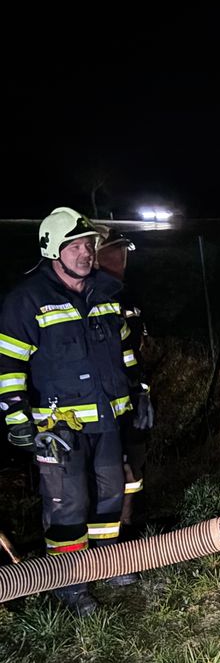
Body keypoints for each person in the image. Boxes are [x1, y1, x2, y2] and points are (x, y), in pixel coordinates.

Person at [0, 207, 153, 615]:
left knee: (109, 496)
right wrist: (16, 419)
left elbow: (125, 352)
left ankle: (108, 562)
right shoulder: (27, 301)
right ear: (55, 250)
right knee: (67, 504)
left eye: (89, 246)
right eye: (77, 247)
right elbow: (9, 365)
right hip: (58, 428)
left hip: (107, 421)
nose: (86, 254)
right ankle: (69, 582)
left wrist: (140, 391)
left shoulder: (105, 293)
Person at [94, 225, 151, 537]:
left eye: (123, 251)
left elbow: (133, 351)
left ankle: (126, 529)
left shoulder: (125, 292)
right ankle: (107, 537)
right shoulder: (93, 295)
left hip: (131, 395)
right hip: (103, 401)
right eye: (114, 251)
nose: (121, 257)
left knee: (133, 465)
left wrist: (141, 391)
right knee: (109, 469)